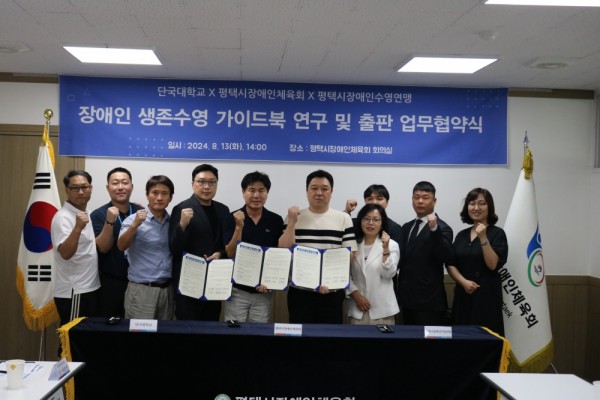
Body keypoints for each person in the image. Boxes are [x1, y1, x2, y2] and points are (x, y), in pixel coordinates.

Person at [279, 169, 357, 324]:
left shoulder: (344, 218)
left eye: (324, 189)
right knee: (300, 334)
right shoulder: (293, 217)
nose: (319, 193)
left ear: (331, 191)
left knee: (329, 335)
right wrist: (292, 222)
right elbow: (284, 250)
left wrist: (328, 278)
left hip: (332, 291)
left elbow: (351, 255)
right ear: (307, 191)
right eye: (314, 188)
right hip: (300, 291)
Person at [169, 164, 230, 321]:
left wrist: (220, 253)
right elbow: (174, 248)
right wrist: (182, 225)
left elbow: (226, 243)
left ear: (216, 185)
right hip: (188, 283)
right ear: (192, 184)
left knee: (211, 327)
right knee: (187, 328)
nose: (206, 186)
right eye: (201, 182)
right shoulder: (181, 208)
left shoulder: (223, 210)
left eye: (211, 182)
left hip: (214, 281)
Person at [223, 171, 284, 323]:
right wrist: (239, 227)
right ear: (243, 192)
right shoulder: (231, 218)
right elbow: (230, 253)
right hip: (237, 290)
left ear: (267, 193)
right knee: (233, 331)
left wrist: (271, 281)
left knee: (259, 333)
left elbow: (279, 256)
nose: (256, 195)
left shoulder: (276, 220)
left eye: (261, 190)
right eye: (251, 190)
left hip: (264, 291)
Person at [447, 188, 508, 335]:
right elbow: (450, 263)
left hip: (487, 295)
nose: (476, 207)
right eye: (472, 203)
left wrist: (483, 237)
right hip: (463, 294)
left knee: (486, 338)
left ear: (489, 207)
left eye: (482, 203)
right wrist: (463, 282)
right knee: (461, 337)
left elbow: (492, 265)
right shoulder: (461, 235)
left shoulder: (497, 233)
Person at [117, 175, 175, 320]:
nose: (159, 198)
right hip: (142, 290)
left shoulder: (173, 222)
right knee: (140, 334)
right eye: (155, 193)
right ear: (147, 195)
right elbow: (121, 246)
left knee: (165, 332)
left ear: (170, 198)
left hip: (167, 291)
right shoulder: (133, 220)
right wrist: (135, 225)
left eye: (164, 193)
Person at [398, 181, 453, 325]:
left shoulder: (443, 227)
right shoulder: (406, 227)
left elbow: (444, 255)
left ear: (434, 200)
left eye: (425, 197)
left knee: (428, 340)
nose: (420, 201)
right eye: (416, 197)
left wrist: (434, 229)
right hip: (406, 299)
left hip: (430, 301)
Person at [91, 167, 143, 318]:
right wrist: (109, 222)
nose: (120, 187)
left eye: (125, 183)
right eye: (115, 183)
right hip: (111, 283)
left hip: (139, 283)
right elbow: (102, 248)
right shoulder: (99, 214)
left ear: (131, 186)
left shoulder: (140, 211)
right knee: (111, 327)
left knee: (135, 326)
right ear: (108, 188)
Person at [51, 169, 101, 328]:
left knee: (86, 336)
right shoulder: (63, 217)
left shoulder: (87, 213)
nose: (80, 192)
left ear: (91, 188)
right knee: (72, 335)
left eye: (84, 187)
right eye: (75, 188)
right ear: (66, 190)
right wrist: (78, 227)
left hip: (89, 287)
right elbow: (65, 253)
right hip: (74, 290)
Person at [344, 184, 404, 313]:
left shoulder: (394, 230)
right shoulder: (355, 231)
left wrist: (385, 250)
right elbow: (340, 228)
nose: (374, 202)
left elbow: (392, 269)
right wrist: (347, 212)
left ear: (387, 202)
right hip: (356, 302)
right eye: (370, 199)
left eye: (379, 198)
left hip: (382, 301)